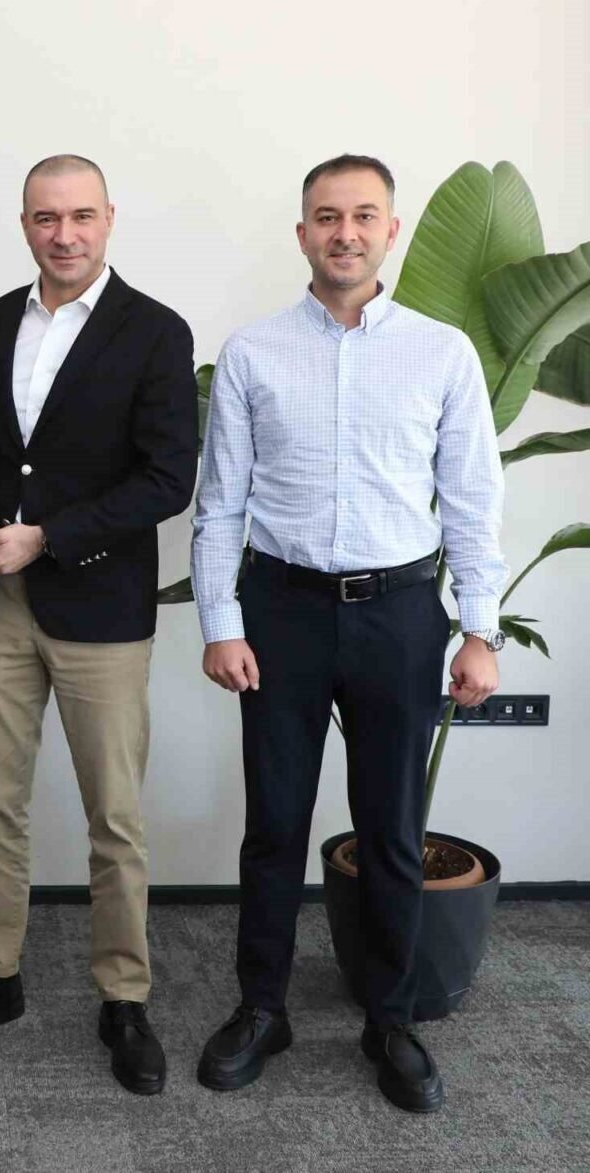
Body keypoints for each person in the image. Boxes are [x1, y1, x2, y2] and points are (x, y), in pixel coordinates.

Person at [190, 154, 506, 1113]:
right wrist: (221, 621)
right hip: (281, 612)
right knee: (274, 826)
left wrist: (480, 629)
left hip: (400, 615)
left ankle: (391, 1019)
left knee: (392, 830)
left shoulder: (442, 353)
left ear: (391, 231)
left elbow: (472, 500)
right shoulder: (253, 353)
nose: (346, 233)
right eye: (327, 216)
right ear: (303, 234)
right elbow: (220, 504)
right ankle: (262, 1007)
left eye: (364, 215)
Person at [0, 155, 198, 1096]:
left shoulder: (155, 331)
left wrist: (50, 537)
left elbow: (167, 479)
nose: (63, 234)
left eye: (80, 216)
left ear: (109, 218)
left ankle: (124, 996)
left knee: (113, 816)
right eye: (45, 218)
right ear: (25, 224)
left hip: (100, 609)